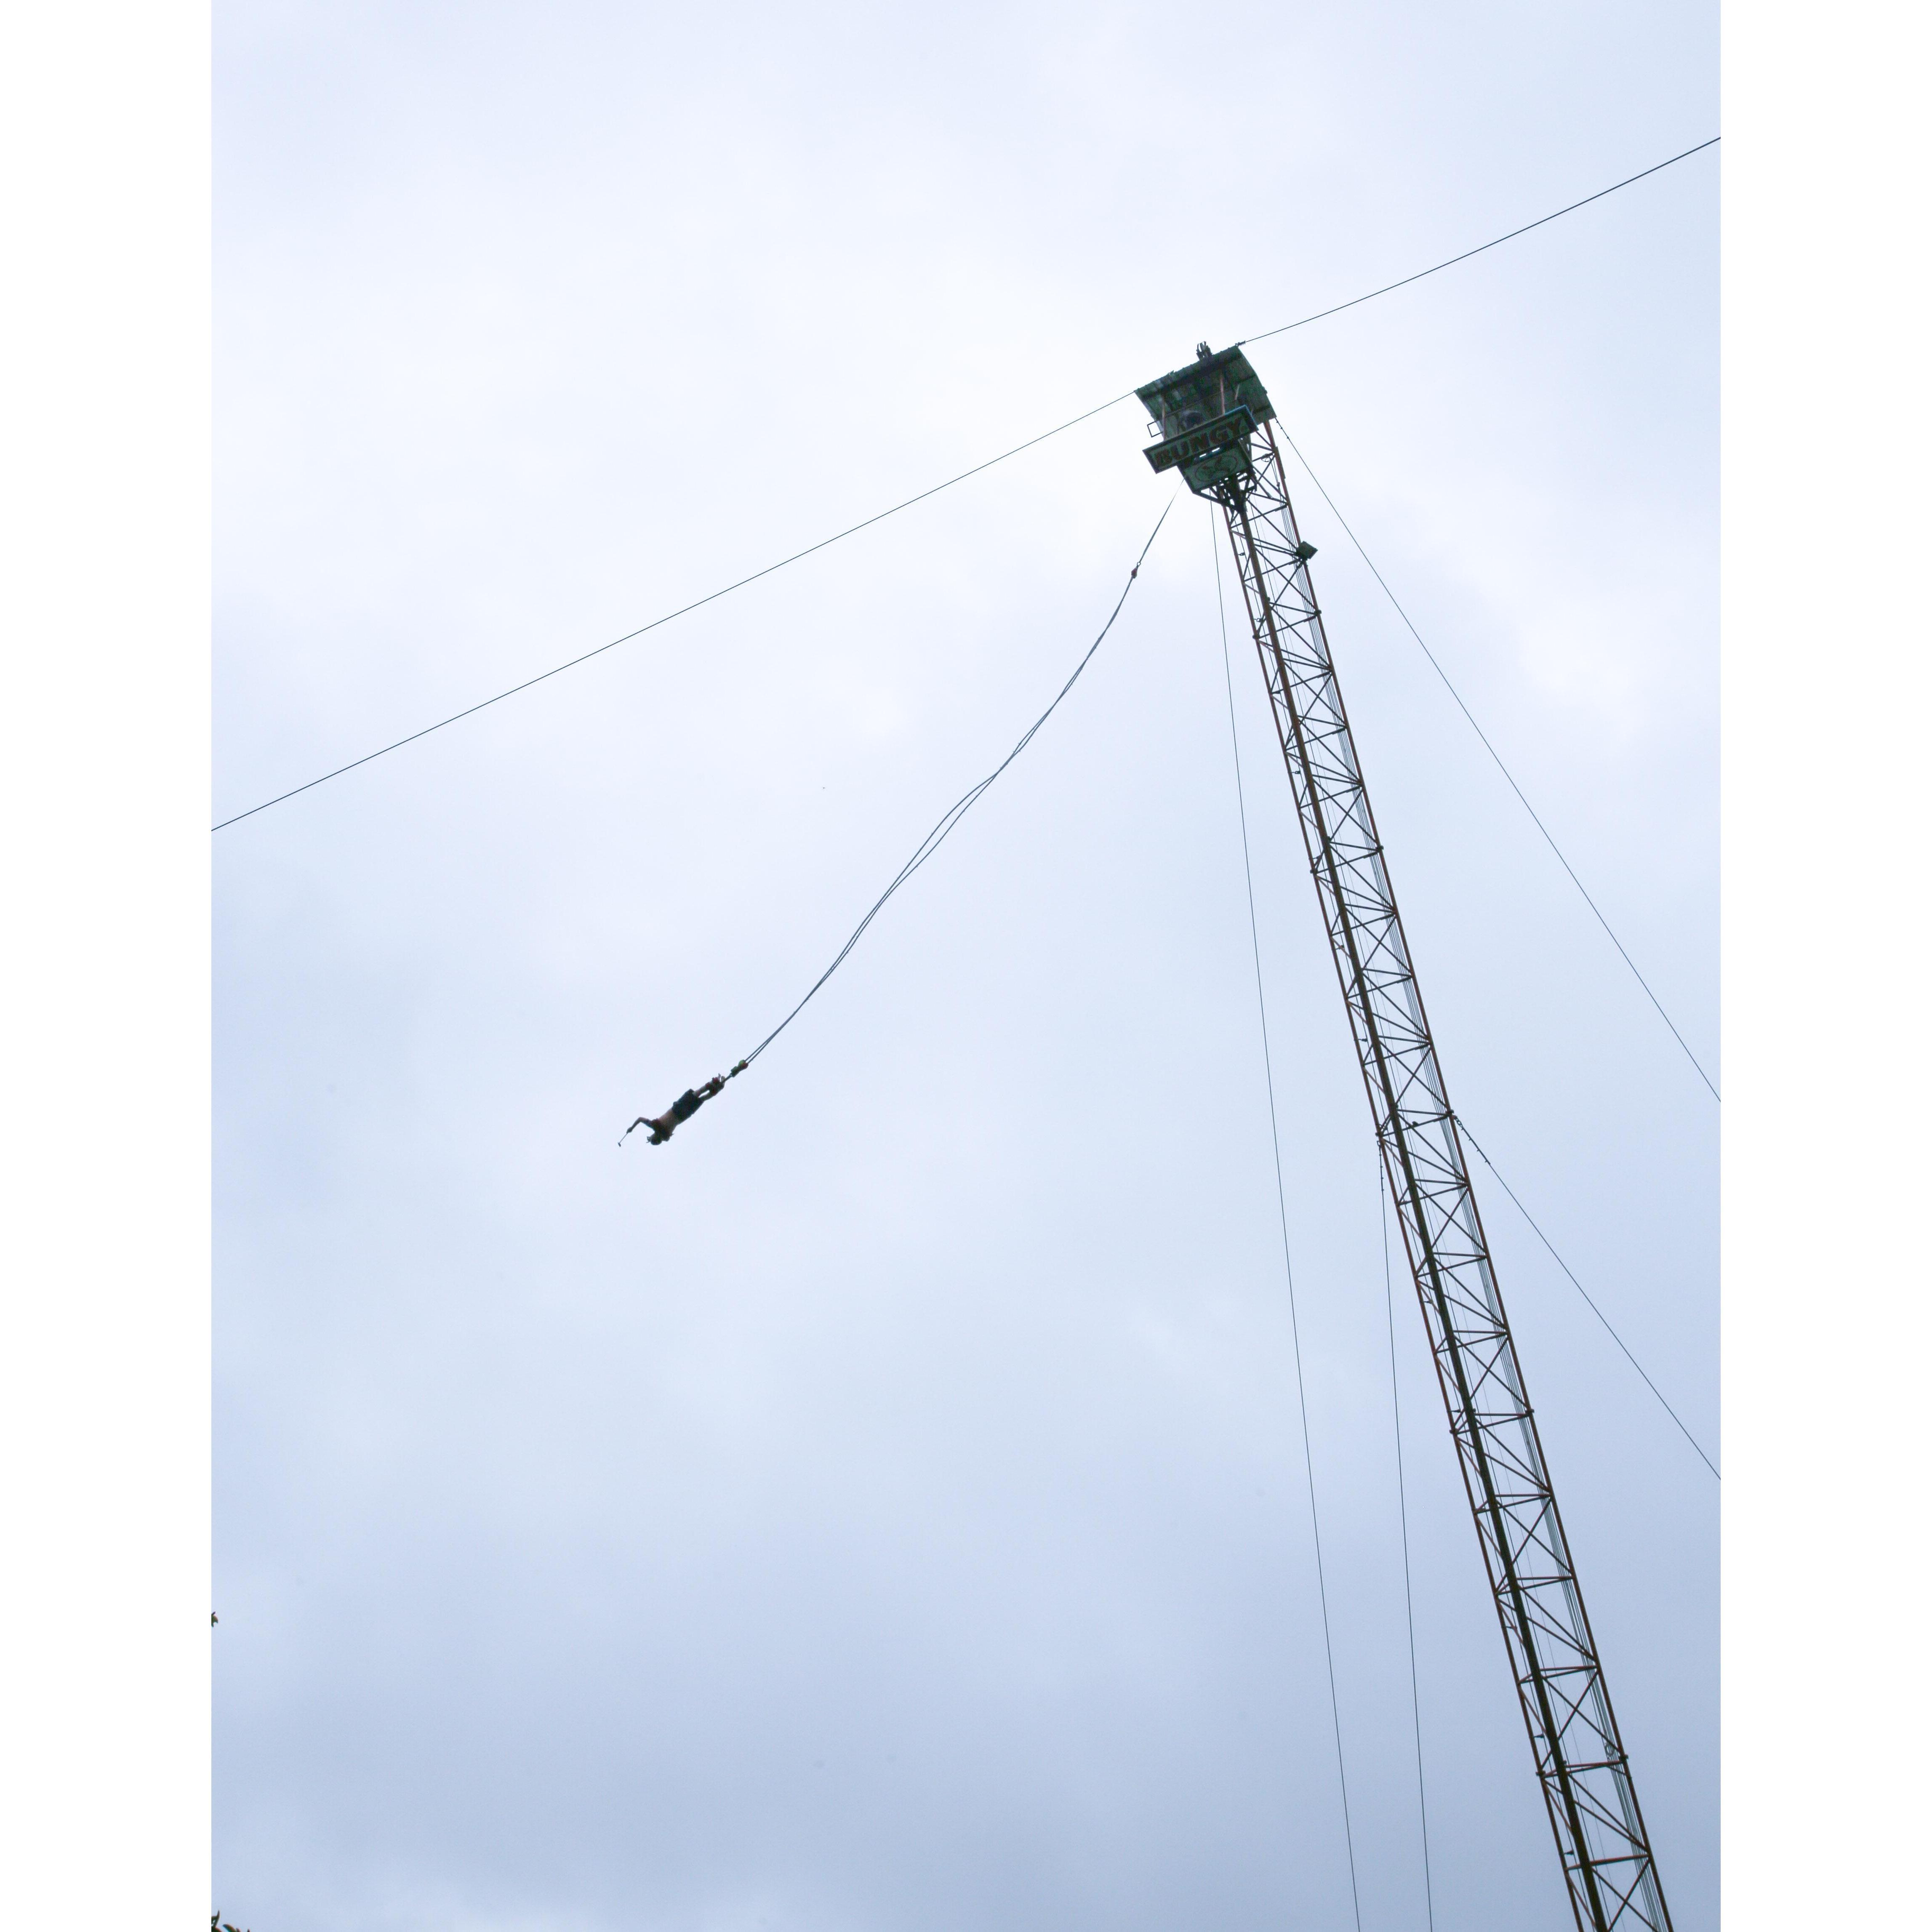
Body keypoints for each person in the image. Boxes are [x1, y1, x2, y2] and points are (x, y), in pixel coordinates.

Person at [623, 1061, 746, 1146]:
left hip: (683, 1116)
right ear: (654, 1137)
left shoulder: (666, 1137)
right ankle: (711, 1084)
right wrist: (632, 1128)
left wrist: (636, 1131)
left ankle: (714, 1090)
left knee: (701, 1099)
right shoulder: (654, 1126)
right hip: (676, 1111)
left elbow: (647, 1127)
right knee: (696, 1094)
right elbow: (640, 1119)